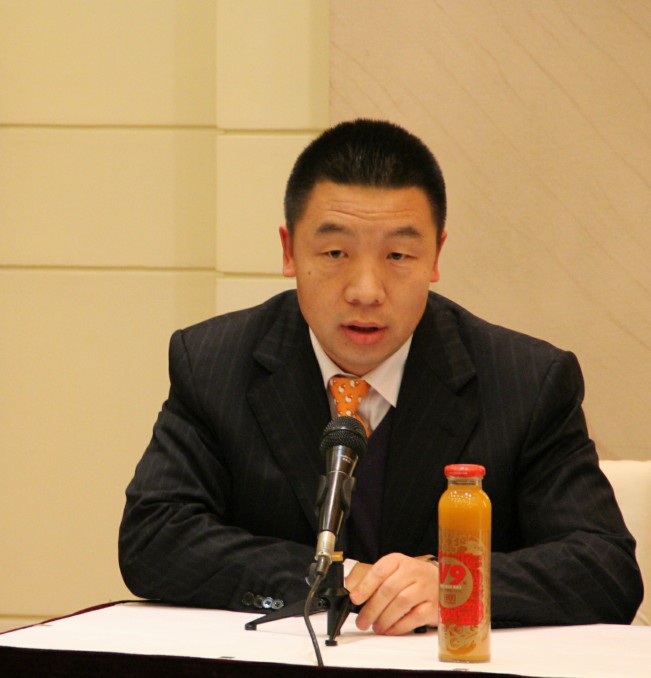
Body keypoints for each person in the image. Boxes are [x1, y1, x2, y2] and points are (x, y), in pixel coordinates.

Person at [119, 119, 643, 635]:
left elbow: (603, 567)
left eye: (397, 255)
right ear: (288, 251)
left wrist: (453, 584)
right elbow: (154, 537)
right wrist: (341, 579)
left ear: (435, 256)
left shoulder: (526, 381)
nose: (366, 291)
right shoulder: (213, 362)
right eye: (335, 253)